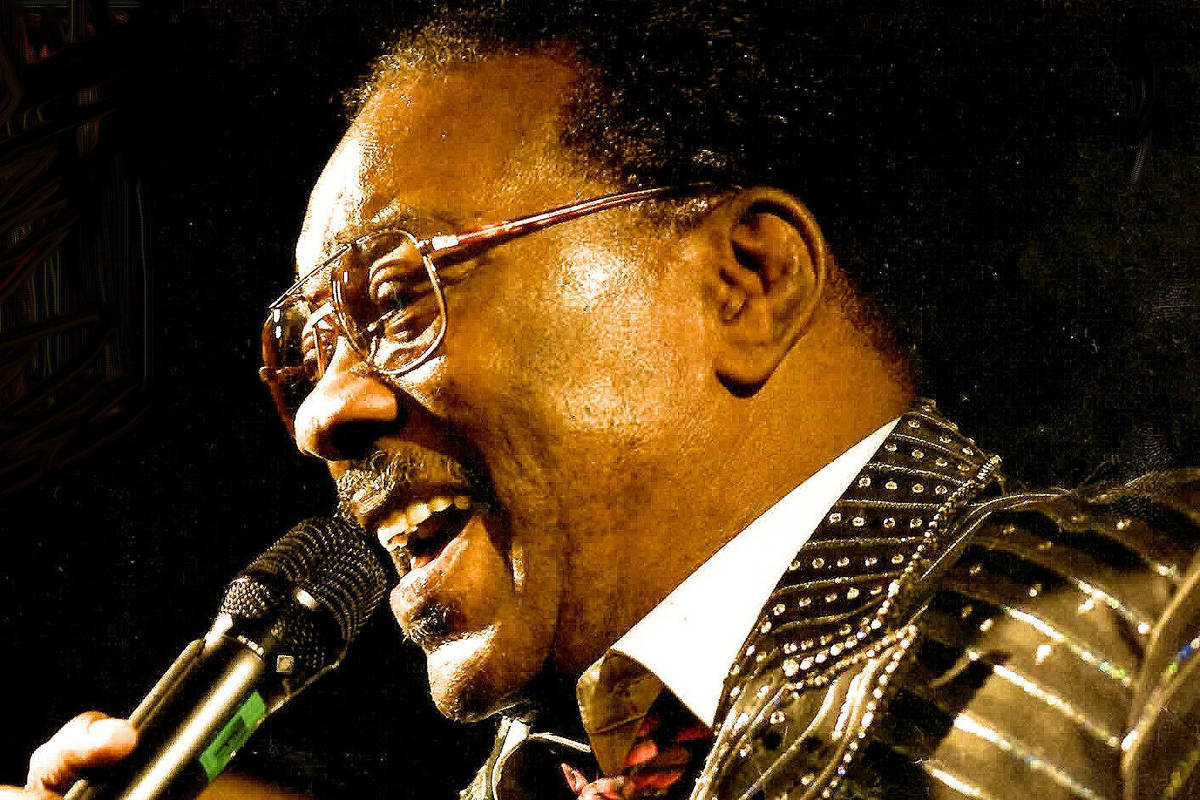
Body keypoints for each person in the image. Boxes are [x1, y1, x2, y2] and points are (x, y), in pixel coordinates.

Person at [6, 3, 1199, 799]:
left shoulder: (1150, 624)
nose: (325, 413)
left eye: (400, 298)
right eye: (303, 354)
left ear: (748, 281)